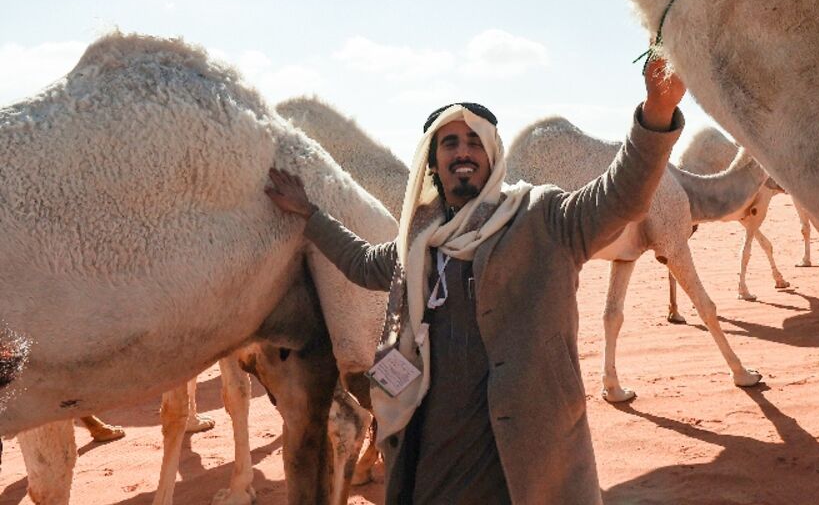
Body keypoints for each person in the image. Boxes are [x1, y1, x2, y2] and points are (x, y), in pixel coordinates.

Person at [264, 58, 686, 505]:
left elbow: (622, 194)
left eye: (473, 142)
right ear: (433, 164)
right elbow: (363, 262)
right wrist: (310, 216)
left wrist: (656, 113)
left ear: (493, 155)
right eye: (449, 143)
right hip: (434, 456)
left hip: (526, 458)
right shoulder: (422, 243)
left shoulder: (543, 218)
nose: (462, 152)